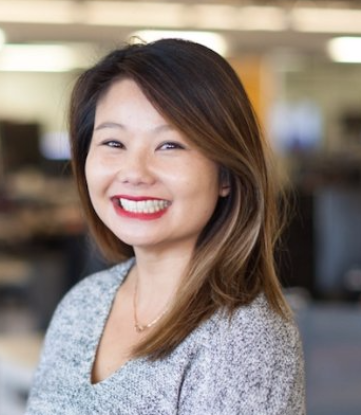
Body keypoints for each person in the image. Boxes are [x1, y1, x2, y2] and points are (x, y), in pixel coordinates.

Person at [25, 38, 305, 414]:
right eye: (113, 142)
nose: (135, 173)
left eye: (170, 145)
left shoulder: (244, 338)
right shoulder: (83, 304)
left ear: (226, 174)